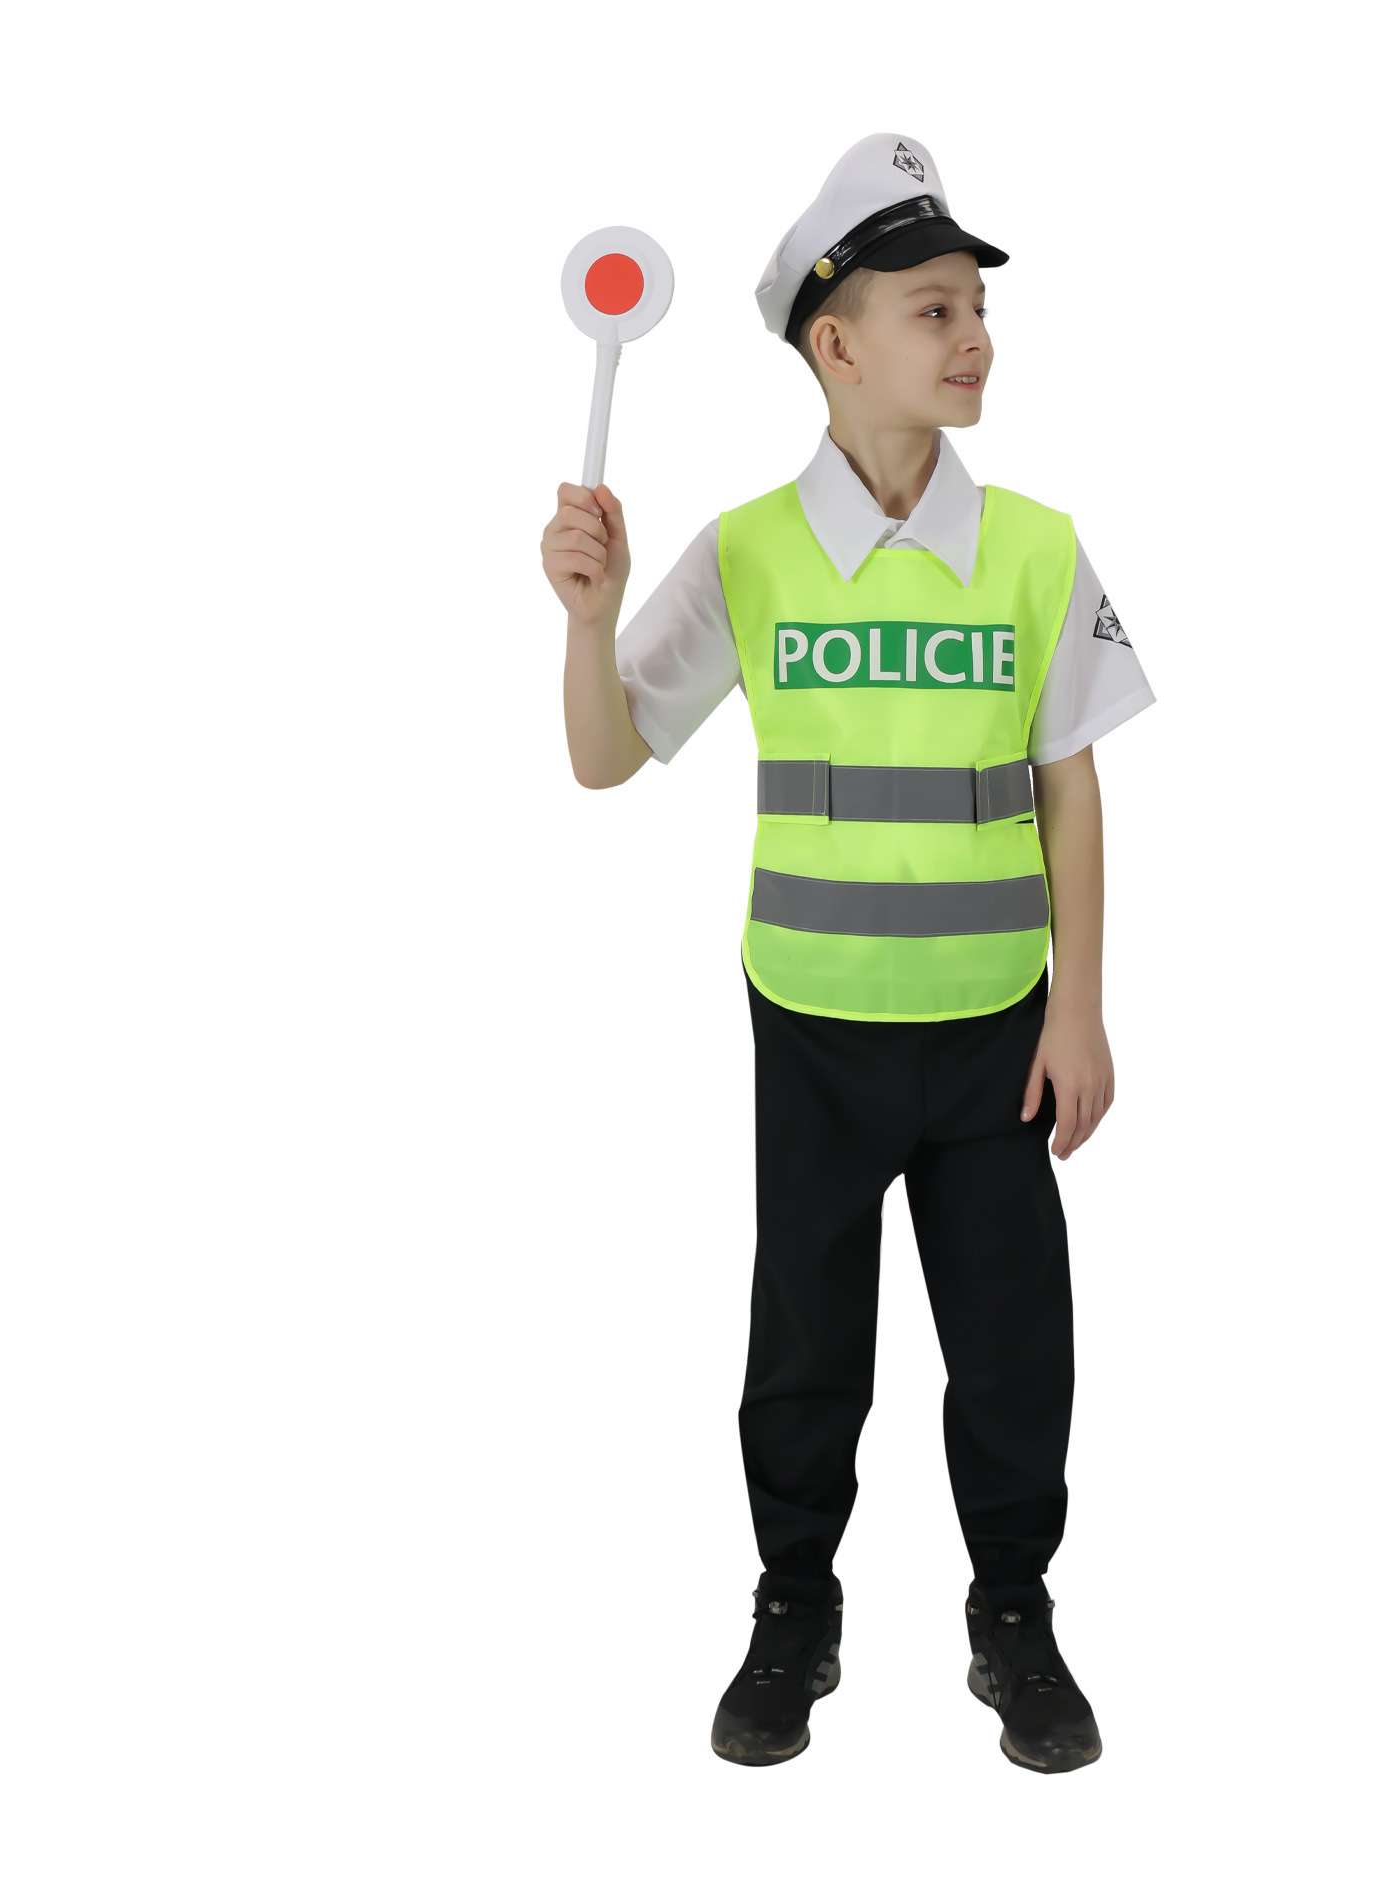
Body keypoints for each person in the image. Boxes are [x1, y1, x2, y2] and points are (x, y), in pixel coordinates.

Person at [540, 132, 1155, 1773]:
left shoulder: (1035, 547)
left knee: (1014, 1346)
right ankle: (793, 1607)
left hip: (998, 1028)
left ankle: (1012, 1615)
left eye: (978, 309)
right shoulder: (749, 552)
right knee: (807, 1342)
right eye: (934, 308)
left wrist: (1081, 1011)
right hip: (811, 1025)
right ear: (836, 341)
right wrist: (589, 623)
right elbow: (605, 758)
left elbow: (1070, 785)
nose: (975, 337)